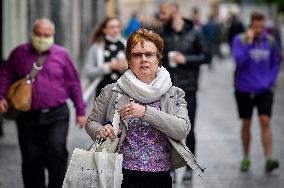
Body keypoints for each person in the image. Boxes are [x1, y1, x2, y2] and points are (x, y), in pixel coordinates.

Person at [85, 28, 204, 188]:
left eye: (149, 54)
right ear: (129, 59)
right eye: (136, 55)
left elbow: (182, 129)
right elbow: (91, 122)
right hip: (121, 175)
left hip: (160, 175)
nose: (143, 59)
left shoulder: (174, 93)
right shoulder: (111, 91)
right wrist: (100, 130)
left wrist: (145, 113)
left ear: (158, 59)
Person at [0, 18, 86, 188]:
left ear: (53, 35)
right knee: (31, 158)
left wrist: (80, 111)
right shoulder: (19, 53)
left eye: (46, 35)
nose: (42, 38)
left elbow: (73, 83)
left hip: (57, 114)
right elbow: (5, 75)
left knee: (57, 150)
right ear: (32, 34)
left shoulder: (62, 54)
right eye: (38, 34)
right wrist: (1, 95)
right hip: (27, 116)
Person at [159, 1, 211, 180]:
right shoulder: (163, 33)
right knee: (168, 129)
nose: (161, 15)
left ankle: (190, 165)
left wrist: (186, 59)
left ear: (174, 11)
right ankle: (170, 167)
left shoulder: (195, 33)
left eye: (164, 12)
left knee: (189, 128)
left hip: (189, 88)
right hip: (167, 89)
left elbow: (206, 56)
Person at [232, 12, 280, 172]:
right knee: (246, 123)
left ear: (264, 24)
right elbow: (239, 61)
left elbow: (276, 63)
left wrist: (270, 81)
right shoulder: (240, 40)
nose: (259, 28)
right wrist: (250, 42)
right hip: (244, 88)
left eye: (261, 24)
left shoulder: (271, 41)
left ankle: (268, 159)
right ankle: (246, 158)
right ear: (251, 24)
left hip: (264, 89)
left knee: (265, 121)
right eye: (256, 24)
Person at [84, 17, 127, 98]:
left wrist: (125, 66)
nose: (116, 30)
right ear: (104, 30)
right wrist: (109, 67)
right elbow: (88, 72)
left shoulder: (126, 45)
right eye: (112, 27)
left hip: (124, 93)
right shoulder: (96, 47)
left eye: (118, 27)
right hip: (103, 93)